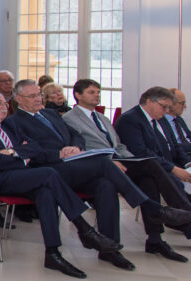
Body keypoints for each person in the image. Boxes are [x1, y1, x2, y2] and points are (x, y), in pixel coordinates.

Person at [5, 79, 191, 270]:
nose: (38, 98)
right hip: (52, 169)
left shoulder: (50, 114)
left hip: (75, 165)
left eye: (38, 94)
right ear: (19, 99)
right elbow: (28, 153)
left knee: (106, 185)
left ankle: (110, 248)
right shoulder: (13, 122)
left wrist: (76, 147)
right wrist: (58, 153)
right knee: (104, 162)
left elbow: (75, 135)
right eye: (32, 96)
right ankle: (152, 208)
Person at [0, 91, 122, 278]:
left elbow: (35, 147)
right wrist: (23, 157)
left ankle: (52, 253)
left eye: (5, 103)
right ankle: (85, 229)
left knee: (46, 192)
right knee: (48, 173)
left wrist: (13, 152)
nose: (4, 107)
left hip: (18, 176)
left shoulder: (7, 125)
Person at [65, 79, 191, 261]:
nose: (97, 95)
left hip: (120, 161)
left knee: (148, 176)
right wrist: (111, 161)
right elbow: (80, 149)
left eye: (98, 92)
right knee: (150, 165)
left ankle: (155, 239)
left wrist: (131, 161)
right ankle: (181, 213)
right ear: (78, 95)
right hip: (97, 166)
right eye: (92, 92)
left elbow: (119, 145)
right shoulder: (70, 119)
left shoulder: (102, 118)